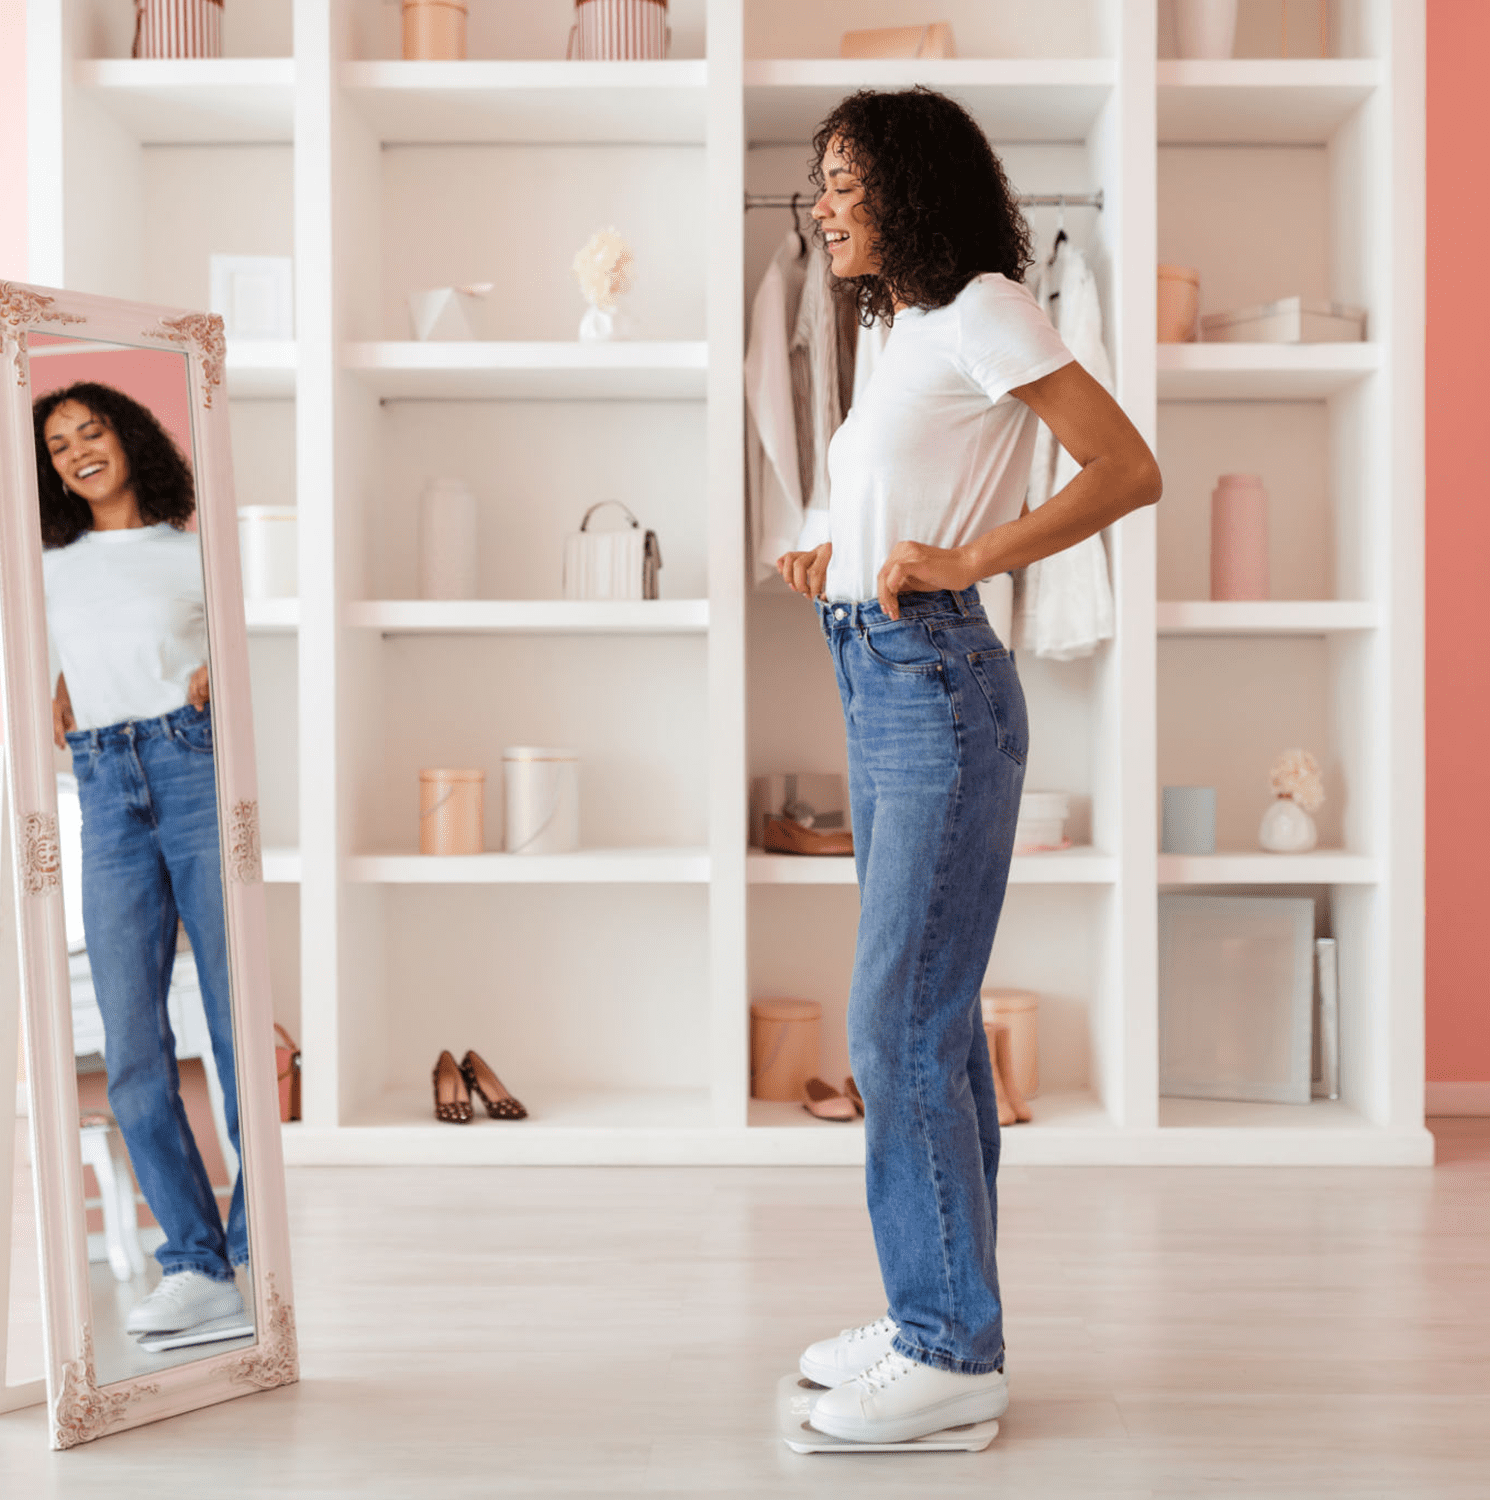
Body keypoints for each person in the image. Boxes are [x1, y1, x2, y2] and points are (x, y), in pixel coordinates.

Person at [777, 90, 1161, 1445]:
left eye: (842, 181)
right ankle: (932, 1312)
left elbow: (1125, 468)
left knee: (896, 1027)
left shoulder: (992, 303)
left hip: (933, 677)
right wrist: (843, 547)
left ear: (906, 183)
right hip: (876, 668)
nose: (820, 206)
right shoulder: (902, 327)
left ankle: (951, 1356)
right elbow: (909, 485)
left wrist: (965, 559)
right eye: (815, 185)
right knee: (914, 1023)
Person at [35, 380, 248, 1338]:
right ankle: (196, 1263)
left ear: (129, 440)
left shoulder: (197, 549)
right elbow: (42, 670)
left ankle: (256, 1249)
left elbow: (246, 657)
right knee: (132, 1049)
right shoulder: (43, 565)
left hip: (192, 765)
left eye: (93, 429)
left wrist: (227, 669)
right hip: (103, 792)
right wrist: (51, 689)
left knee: (236, 1021)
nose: (78, 449)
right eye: (57, 444)